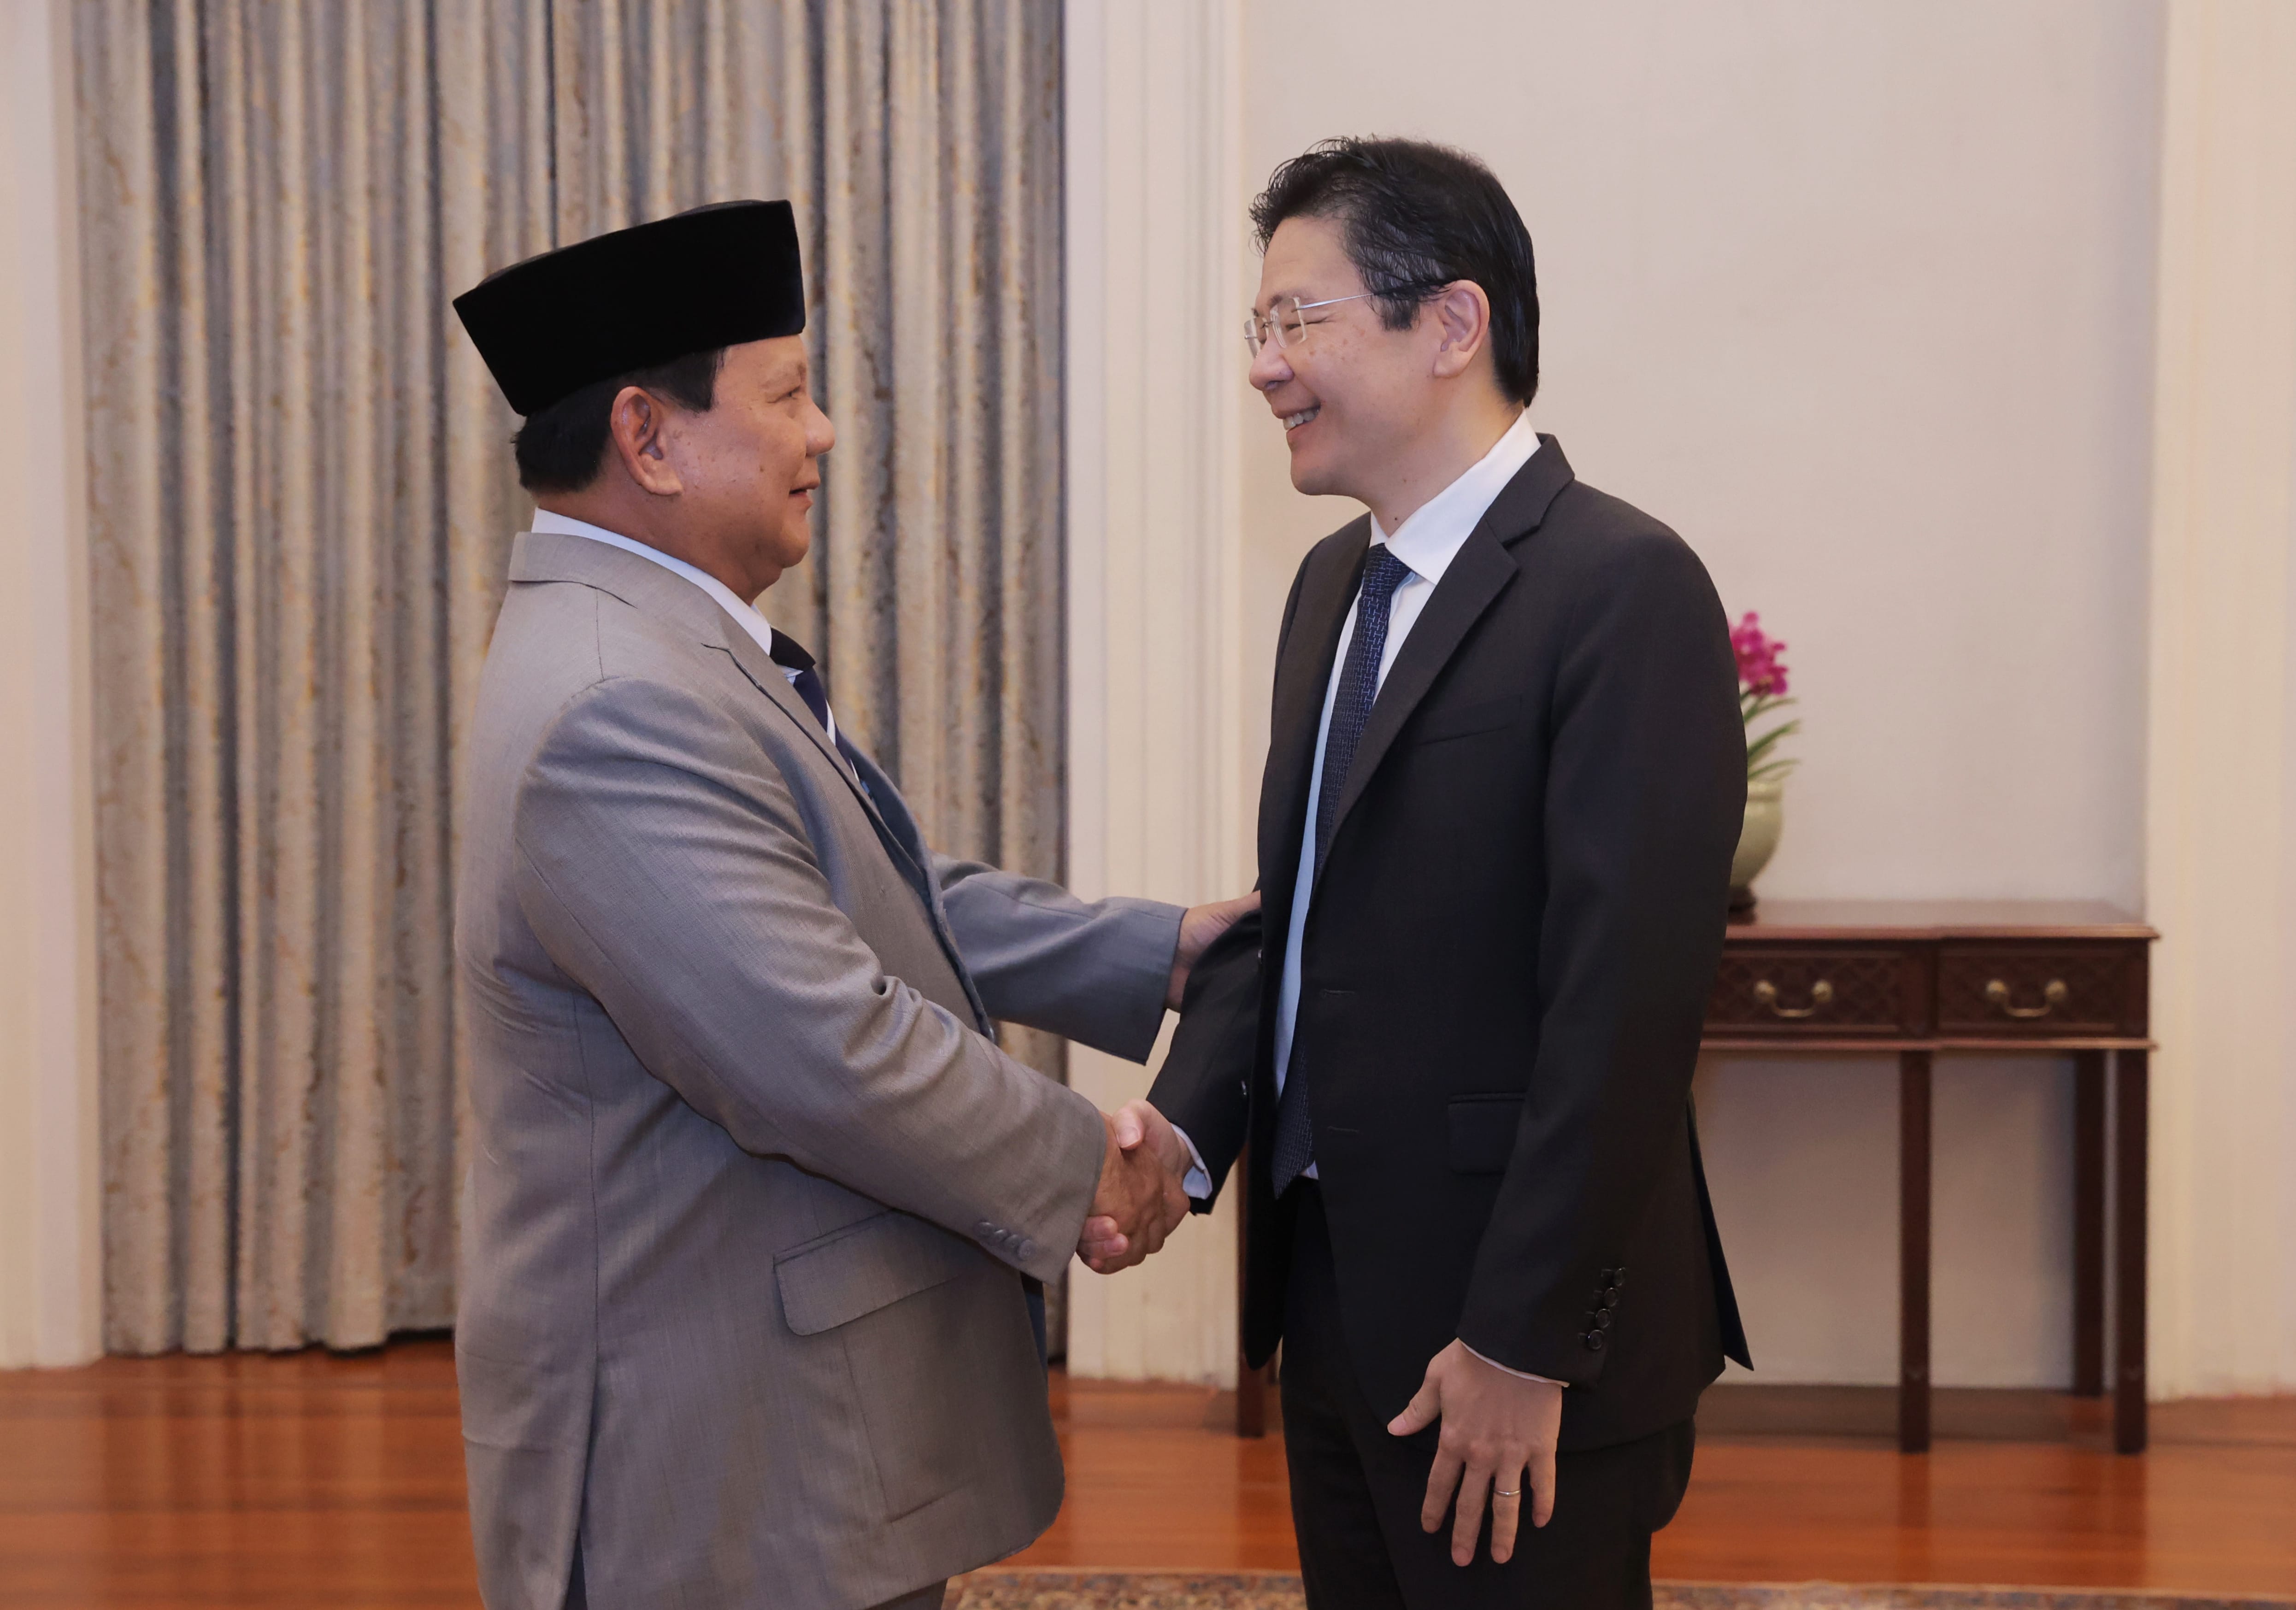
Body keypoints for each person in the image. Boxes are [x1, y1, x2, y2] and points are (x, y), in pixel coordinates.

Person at [449, 200, 1232, 1610]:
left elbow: (870, 901)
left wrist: (1153, 954)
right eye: (791, 392)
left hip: (751, 1419)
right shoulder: (620, 705)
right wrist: (1089, 1173)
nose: (820, 433)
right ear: (649, 437)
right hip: (709, 1460)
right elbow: (825, 1043)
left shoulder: (659, 644)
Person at [1130, 139, 1752, 1609]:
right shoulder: (1332, 587)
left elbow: (1627, 1007)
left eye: (1300, 322)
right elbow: (1303, 922)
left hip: (1514, 1320)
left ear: (1452, 324)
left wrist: (1526, 1339)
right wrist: (1184, 1125)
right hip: (1337, 1283)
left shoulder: (1621, 587)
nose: (1267, 368)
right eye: (1259, 329)